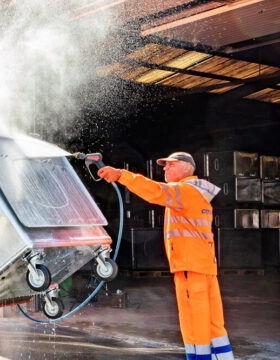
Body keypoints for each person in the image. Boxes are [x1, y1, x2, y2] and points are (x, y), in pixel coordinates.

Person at [98, 152, 233, 360]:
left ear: (186, 168)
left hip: (190, 266)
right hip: (202, 264)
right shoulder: (196, 192)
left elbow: (155, 191)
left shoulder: (185, 190)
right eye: (165, 165)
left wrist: (121, 175)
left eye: (171, 165)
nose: (164, 168)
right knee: (212, 319)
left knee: (193, 319)